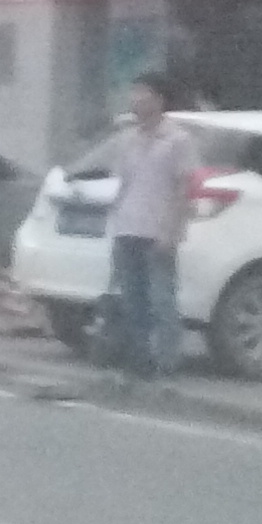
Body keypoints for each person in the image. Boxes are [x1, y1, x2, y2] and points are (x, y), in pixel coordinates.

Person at [88, 73, 210, 382]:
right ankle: (139, 360)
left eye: (143, 93)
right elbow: (123, 184)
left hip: (158, 231)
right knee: (132, 299)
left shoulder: (178, 140)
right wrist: (115, 222)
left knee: (161, 299)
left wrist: (172, 231)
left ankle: (166, 362)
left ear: (160, 99)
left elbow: (185, 188)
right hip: (127, 227)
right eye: (134, 92)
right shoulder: (128, 138)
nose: (136, 99)